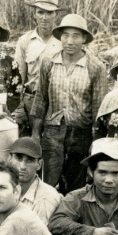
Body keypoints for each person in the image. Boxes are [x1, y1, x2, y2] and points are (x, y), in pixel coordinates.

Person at [31, 14, 109, 192]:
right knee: (46, 184)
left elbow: (99, 112)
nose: (70, 41)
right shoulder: (48, 62)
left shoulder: (95, 68)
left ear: (84, 39)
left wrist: (95, 143)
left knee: (75, 187)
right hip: (53, 131)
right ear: (60, 37)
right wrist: (36, 133)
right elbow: (41, 99)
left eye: (76, 36)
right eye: (65, 35)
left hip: (81, 134)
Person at [0, 137, 63, 233]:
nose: (23, 166)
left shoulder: (46, 197)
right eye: (18, 158)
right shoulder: (7, 186)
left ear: (39, 164)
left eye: (30, 160)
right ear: (9, 159)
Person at [15, 0, 62, 117]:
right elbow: (18, 78)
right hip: (30, 101)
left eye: (49, 13)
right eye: (41, 12)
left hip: (56, 103)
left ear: (56, 15)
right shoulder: (24, 41)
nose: (45, 17)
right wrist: (19, 108)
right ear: (34, 14)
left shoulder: (63, 42)